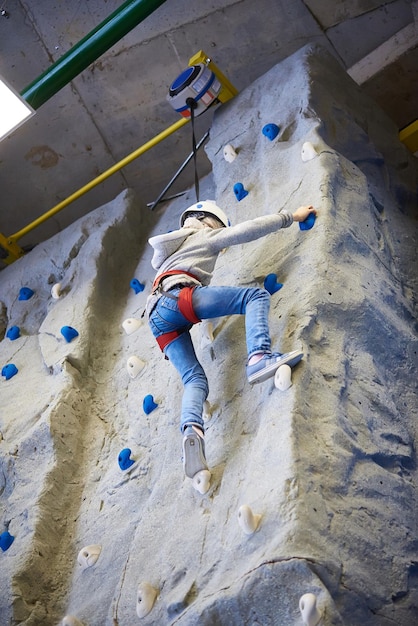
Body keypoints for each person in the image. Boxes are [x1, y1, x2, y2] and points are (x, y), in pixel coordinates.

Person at [146, 200, 317, 481]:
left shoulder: (169, 256)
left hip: (157, 318)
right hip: (179, 299)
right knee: (255, 296)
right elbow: (246, 231)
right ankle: (259, 357)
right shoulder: (203, 235)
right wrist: (291, 217)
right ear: (208, 221)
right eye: (219, 229)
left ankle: (191, 430)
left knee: (194, 380)